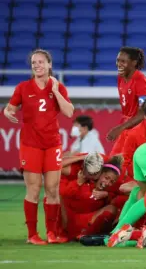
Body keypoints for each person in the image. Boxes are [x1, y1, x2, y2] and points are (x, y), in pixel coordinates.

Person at [3, 49, 74, 245]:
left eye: (41, 62)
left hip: (52, 145)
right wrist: (8, 111)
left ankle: (52, 233)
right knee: (33, 189)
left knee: (52, 189)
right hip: (30, 144)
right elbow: (11, 108)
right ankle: (32, 235)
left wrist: (56, 92)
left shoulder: (58, 87)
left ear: (49, 65)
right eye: (34, 62)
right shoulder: (23, 87)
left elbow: (69, 112)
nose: (37, 65)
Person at [59, 155, 124, 240]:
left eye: (112, 181)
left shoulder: (108, 189)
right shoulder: (80, 178)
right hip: (72, 222)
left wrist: (107, 195)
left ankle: (89, 235)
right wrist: (78, 181)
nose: (108, 183)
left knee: (114, 209)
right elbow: (64, 194)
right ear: (100, 172)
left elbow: (119, 198)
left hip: (90, 223)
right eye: (106, 178)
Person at [107, 47, 146, 156]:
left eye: (123, 61)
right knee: (115, 162)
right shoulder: (121, 77)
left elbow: (143, 112)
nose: (119, 64)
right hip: (127, 125)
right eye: (118, 60)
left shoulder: (140, 81)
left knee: (118, 162)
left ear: (134, 63)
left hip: (138, 128)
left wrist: (120, 128)